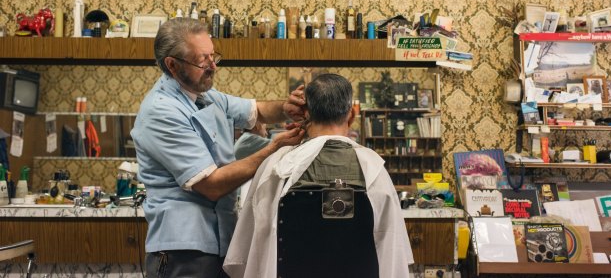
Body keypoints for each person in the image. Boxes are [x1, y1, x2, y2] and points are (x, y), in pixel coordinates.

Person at [130, 18, 305, 278]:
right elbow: (211, 185)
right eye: (203, 60)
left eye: (214, 56)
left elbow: (255, 111)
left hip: (221, 240)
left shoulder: (205, 95)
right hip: (184, 249)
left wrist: (285, 108)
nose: (213, 66)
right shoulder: (161, 111)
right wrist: (273, 149)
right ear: (172, 65)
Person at [223, 73, 414, 277]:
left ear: (305, 114)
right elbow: (392, 253)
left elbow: (247, 254)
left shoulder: (276, 165)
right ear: (351, 115)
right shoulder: (374, 169)